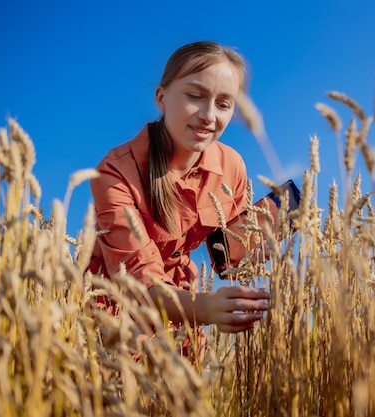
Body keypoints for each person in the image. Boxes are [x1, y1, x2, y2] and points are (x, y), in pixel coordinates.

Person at [88, 41, 270, 340]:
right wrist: (208, 309)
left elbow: (229, 252)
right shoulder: (115, 172)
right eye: (195, 96)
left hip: (183, 313)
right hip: (111, 318)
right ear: (161, 97)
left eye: (224, 103)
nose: (208, 116)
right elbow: (138, 283)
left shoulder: (232, 165)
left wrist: (266, 236)